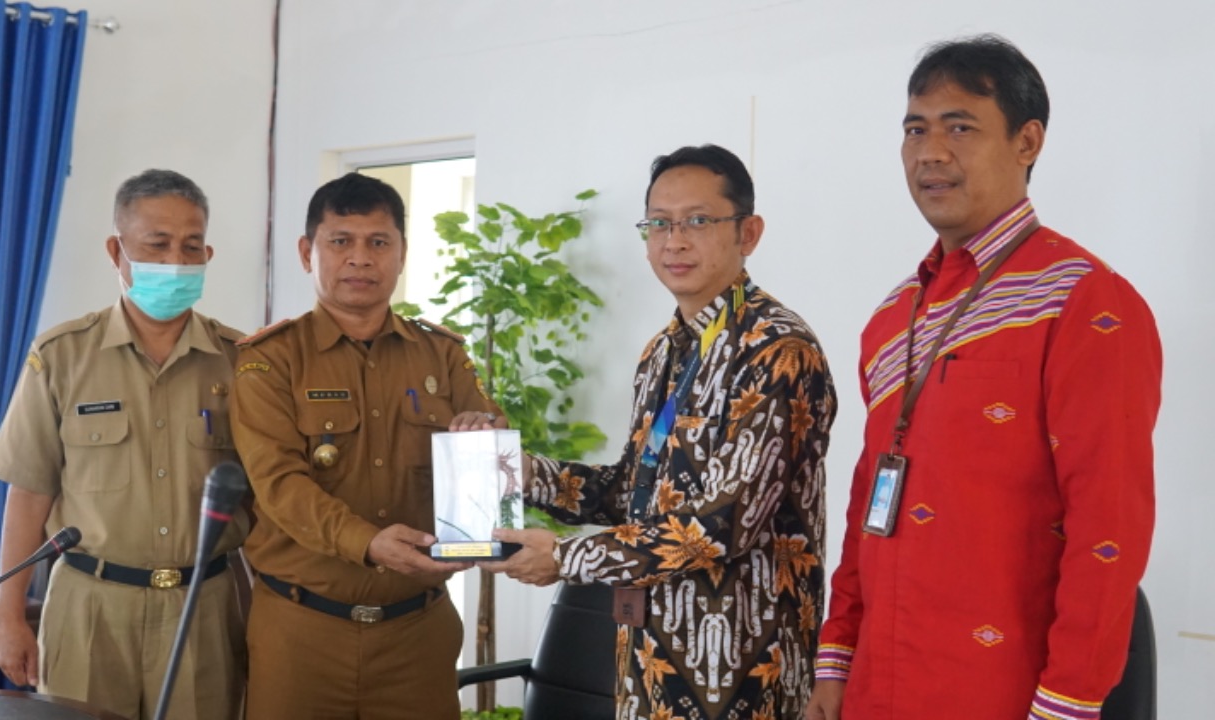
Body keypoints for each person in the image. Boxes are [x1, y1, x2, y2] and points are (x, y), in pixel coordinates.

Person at [806, 35, 1163, 720]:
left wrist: (1066, 703)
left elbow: (1109, 527)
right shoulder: (893, 317)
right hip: (876, 687)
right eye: (915, 129)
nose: (930, 152)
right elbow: (869, 498)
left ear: (1027, 141)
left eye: (960, 127)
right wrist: (838, 656)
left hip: (1005, 694)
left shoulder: (1084, 301)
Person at [481, 145, 837, 720]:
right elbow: (635, 492)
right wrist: (525, 474)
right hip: (650, 661)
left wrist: (567, 559)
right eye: (659, 224)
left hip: (743, 672)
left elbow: (724, 522)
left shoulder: (777, 350)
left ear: (748, 233)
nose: (674, 241)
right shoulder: (664, 352)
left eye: (697, 221)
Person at [229, 172, 503, 719]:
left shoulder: (444, 355)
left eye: (379, 242)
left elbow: (490, 450)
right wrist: (368, 542)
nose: (360, 258)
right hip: (301, 633)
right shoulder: (269, 360)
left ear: (402, 253)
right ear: (307, 252)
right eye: (341, 241)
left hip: (418, 633)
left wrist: (486, 440)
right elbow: (279, 484)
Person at [0, 169, 248, 719]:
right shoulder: (62, 355)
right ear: (116, 250)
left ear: (207, 254)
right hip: (89, 604)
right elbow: (29, 491)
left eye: (191, 246)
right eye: (157, 244)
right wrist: (7, 615)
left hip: (202, 606)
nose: (176, 261)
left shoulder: (241, 361)